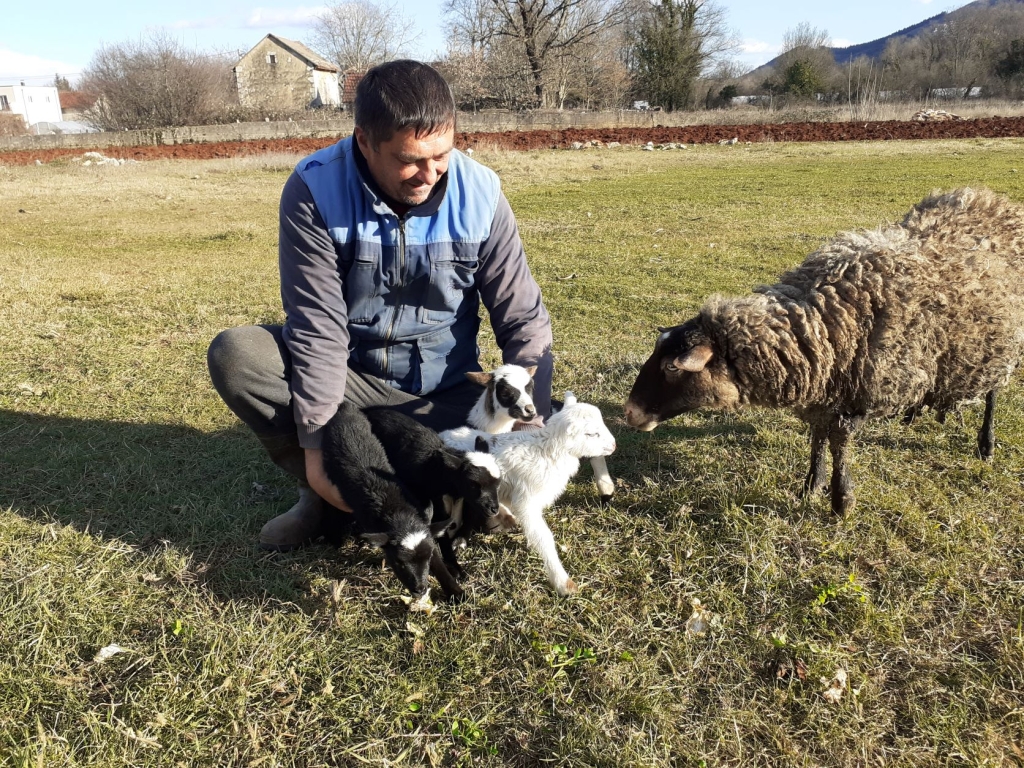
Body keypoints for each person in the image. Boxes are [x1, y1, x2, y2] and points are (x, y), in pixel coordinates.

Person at [207, 59, 553, 551]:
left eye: (443, 155)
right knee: (238, 355)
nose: (429, 174)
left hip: (447, 392)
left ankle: (416, 488)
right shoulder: (313, 190)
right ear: (364, 141)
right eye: (410, 159)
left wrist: (529, 422)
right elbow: (318, 328)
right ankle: (323, 498)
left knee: (524, 432)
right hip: (352, 384)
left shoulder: (482, 194)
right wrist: (319, 456)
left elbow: (523, 319)